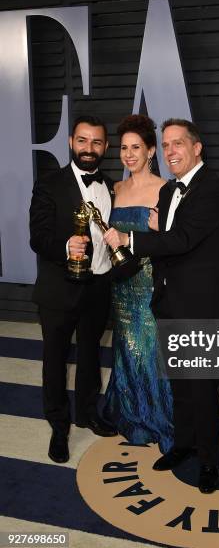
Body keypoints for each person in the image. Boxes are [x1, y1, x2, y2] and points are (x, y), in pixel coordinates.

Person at [104, 118, 219, 494]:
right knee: (179, 385)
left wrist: (130, 238)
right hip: (170, 301)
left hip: (203, 306)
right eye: (166, 145)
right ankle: (183, 445)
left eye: (178, 143)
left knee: (202, 389)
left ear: (197, 148)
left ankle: (210, 462)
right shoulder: (167, 193)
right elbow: (167, 245)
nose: (171, 151)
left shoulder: (214, 191)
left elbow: (182, 240)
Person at [29, 115, 117, 465]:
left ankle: (86, 412)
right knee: (54, 359)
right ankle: (59, 424)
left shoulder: (109, 185)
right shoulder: (49, 185)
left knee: (92, 354)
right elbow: (38, 238)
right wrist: (66, 247)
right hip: (59, 290)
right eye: (83, 141)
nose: (89, 149)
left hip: (99, 285)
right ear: (71, 142)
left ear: (105, 147)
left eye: (96, 142)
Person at [103, 114, 173, 452]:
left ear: (150, 151)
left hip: (148, 286)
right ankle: (131, 413)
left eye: (136, 148)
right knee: (124, 350)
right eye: (124, 148)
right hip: (121, 286)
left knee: (150, 352)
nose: (129, 154)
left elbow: (173, 241)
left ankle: (159, 419)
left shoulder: (164, 190)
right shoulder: (115, 189)